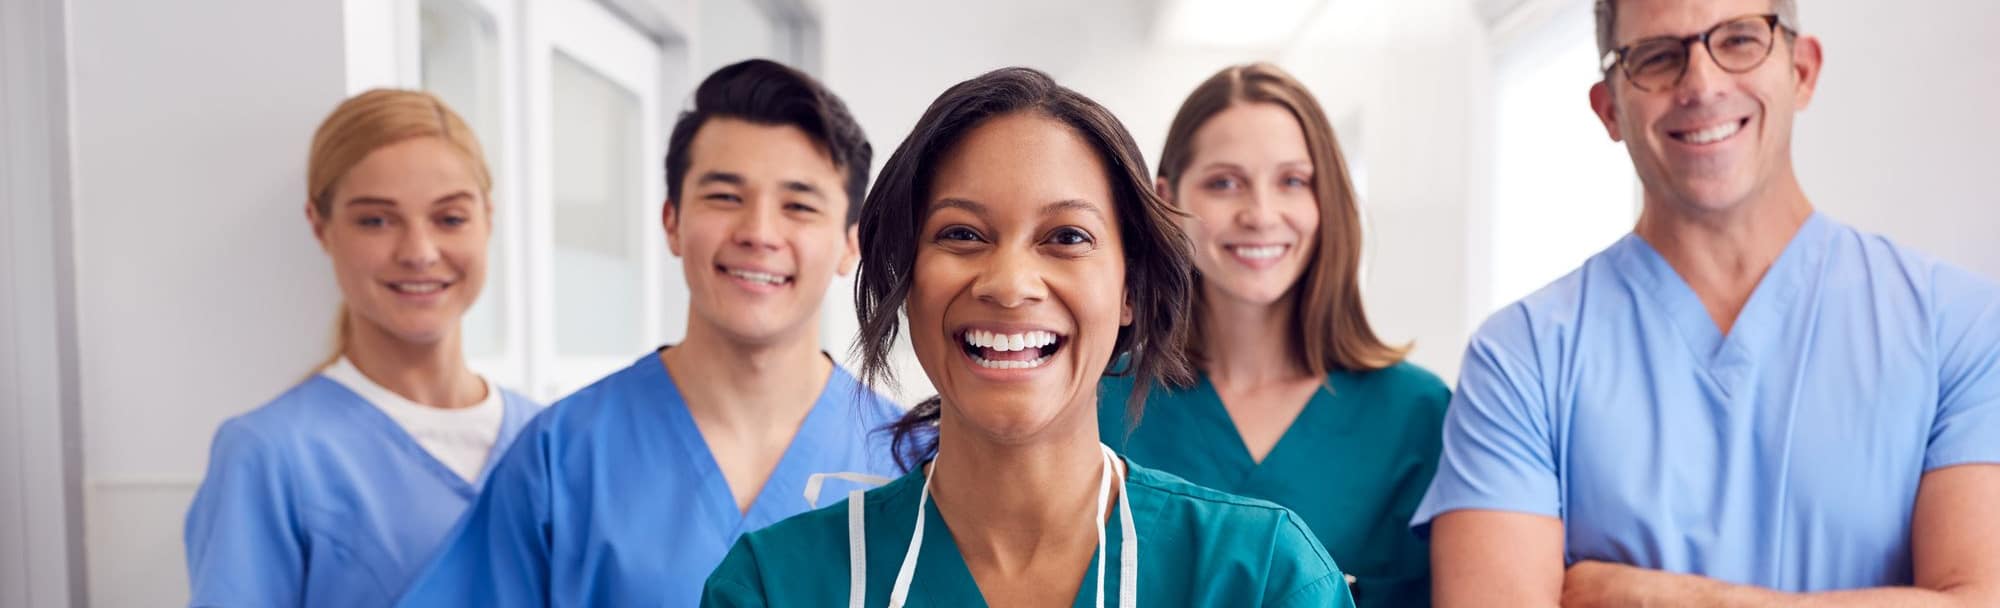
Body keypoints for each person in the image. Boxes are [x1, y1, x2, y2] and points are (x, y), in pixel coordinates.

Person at [1414, 1, 2000, 606]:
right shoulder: (1521, 356)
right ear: (1609, 108)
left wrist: (1648, 596)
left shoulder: (1960, 327)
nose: (1701, 83)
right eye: (1658, 57)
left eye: (1741, 40)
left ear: (1802, 70)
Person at [701, 67, 1355, 608]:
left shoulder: (1263, 578)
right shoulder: (774, 586)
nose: (1010, 284)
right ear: (907, 276)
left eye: (1066, 237)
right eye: (961, 234)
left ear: (1130, 290)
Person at [396, 59, 901, 607]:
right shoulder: (562, 458)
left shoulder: (914, 462)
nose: (758, 233)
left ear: (851, 242)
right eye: (725, 197)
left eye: (798, 206)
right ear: (672, 222)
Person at [1099, 62, 1447, 607]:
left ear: (1326, 200)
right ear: (1168, 202)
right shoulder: (1099, 403)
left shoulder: (1419, 416)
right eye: (1224, 183)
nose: (1260, 214)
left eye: (1292, 181)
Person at [184, 89, 541, 607]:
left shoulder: (549, 439)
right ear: (320, 226)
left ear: (488, 218)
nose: (419, 252)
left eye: (450, 219)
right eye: (376, 220)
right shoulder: (271, 456)